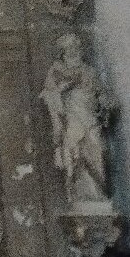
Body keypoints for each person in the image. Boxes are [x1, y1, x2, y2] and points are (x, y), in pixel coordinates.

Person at [41, 34, 110, 205]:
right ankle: (78, 196)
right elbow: (49, 94)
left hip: (90, 118)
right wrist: (62, 89)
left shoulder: (89, 71)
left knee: (98, 150)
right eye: (71, 48)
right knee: (74, 154)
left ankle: (98, 196)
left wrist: (107, 102)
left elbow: (99, 93)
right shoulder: (57, 71)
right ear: (63, 52)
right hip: (72, 119)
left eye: (77, 48)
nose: (75, 51)